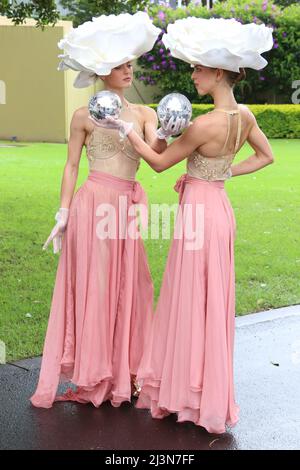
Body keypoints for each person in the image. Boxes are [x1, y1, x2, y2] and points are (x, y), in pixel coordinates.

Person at [98, 18, 275, 433]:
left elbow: (157, 163)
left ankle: (188, 394)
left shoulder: (203, 125)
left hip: (198, 211)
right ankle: (202, 395)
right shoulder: (244, 116)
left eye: (197, 69)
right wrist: (226, 174)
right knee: (210, 301)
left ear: (217, 73)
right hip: (219, 208)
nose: (192, 75)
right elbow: (266, 157)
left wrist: (128, 130)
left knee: (190, 299)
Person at [30, 12, 187, 409]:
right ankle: (93, 371)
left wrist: (167, 135)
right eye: (119, 65)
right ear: (103, 70)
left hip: (126, 207)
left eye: (130, 63)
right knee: (96, 288)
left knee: (132, 286)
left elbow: (157, 155)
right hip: (93, 203)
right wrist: (62, 212)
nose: (128, 70)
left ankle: (127, 373)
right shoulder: (83, 116)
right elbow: (70, 166)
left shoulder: (145, 114)